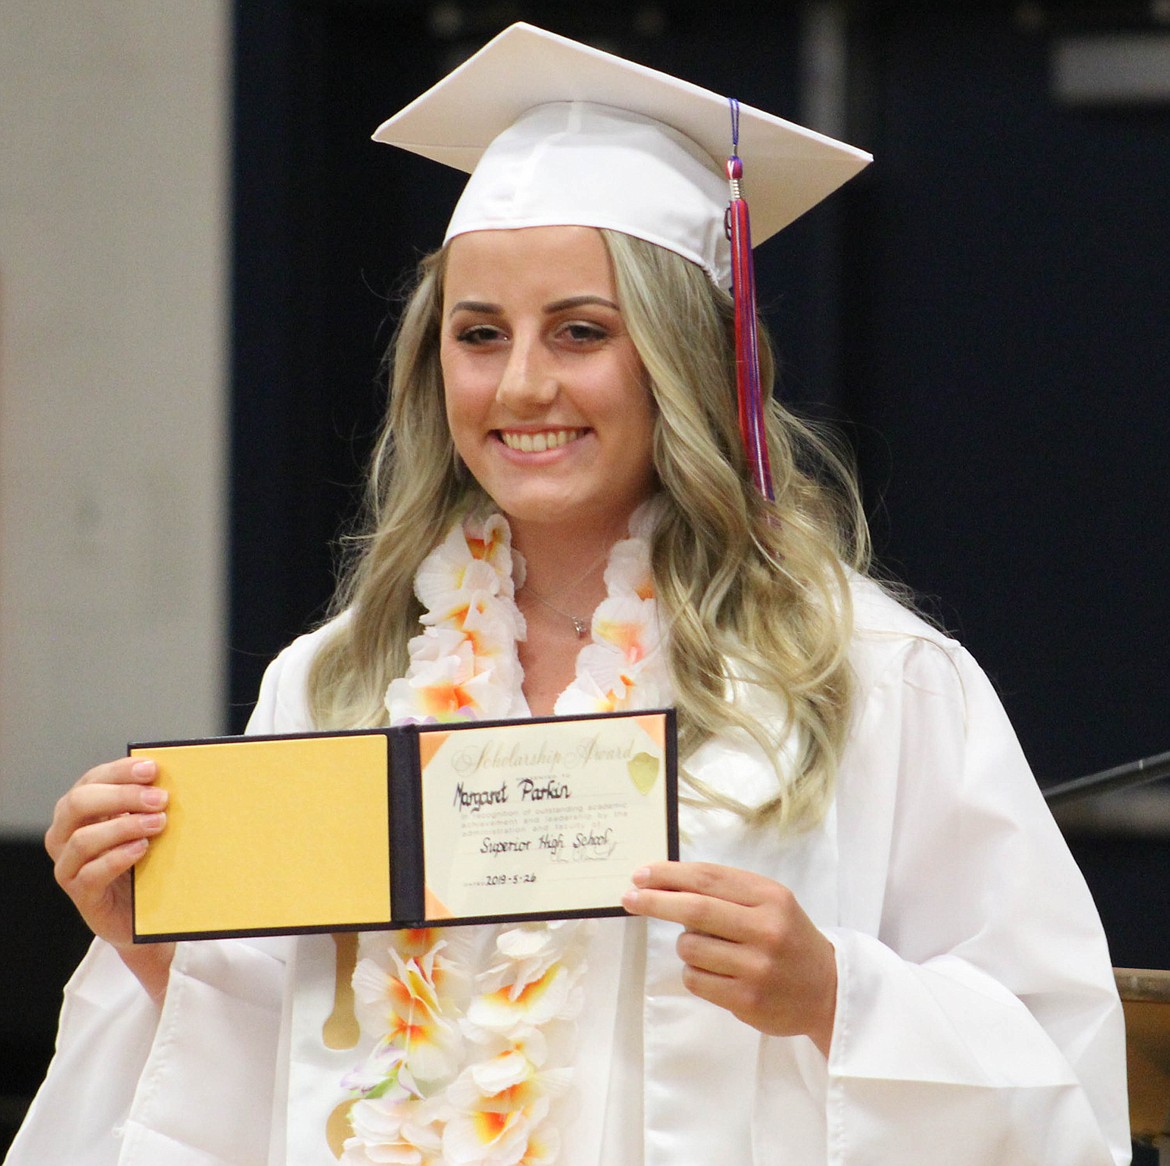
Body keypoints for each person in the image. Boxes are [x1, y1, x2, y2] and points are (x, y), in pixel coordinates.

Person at [8, 22, 1130, 1166]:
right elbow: (295, 1057)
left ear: (687, 356)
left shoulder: (869, 682)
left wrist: (836, 992)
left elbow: (1063, 1068)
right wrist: (145, 936)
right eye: (479, 334)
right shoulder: (338, 678)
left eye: (583, 331)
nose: (524, 383)